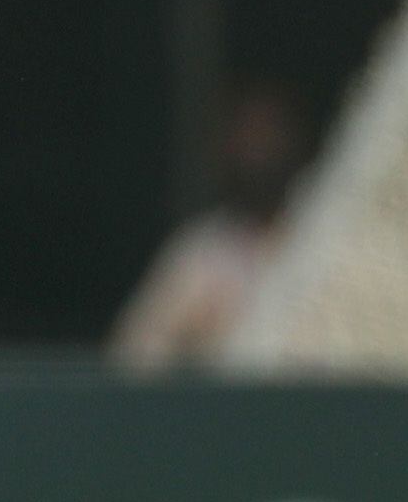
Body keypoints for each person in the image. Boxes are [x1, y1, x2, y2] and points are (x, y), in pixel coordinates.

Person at [111, 82, 308, 369]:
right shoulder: (201, 252)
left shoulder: (332, 240)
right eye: (246, 133)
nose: (257, 147)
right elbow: (135, 361)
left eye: (268, 131)